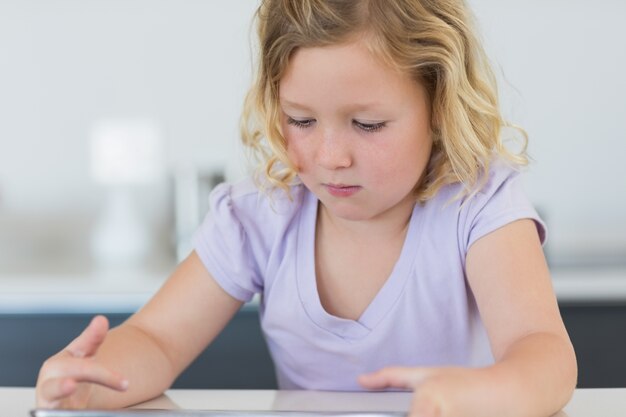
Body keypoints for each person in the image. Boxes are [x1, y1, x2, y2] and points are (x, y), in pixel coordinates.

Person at [36, 1, 577, 416]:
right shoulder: (260, 215)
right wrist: (93, 380)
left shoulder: (476, 205)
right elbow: (156, 340)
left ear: (439, 105)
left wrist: (485, 393)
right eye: (300, 120)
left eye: (368, 125)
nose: (330, 157)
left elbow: (545, 353)